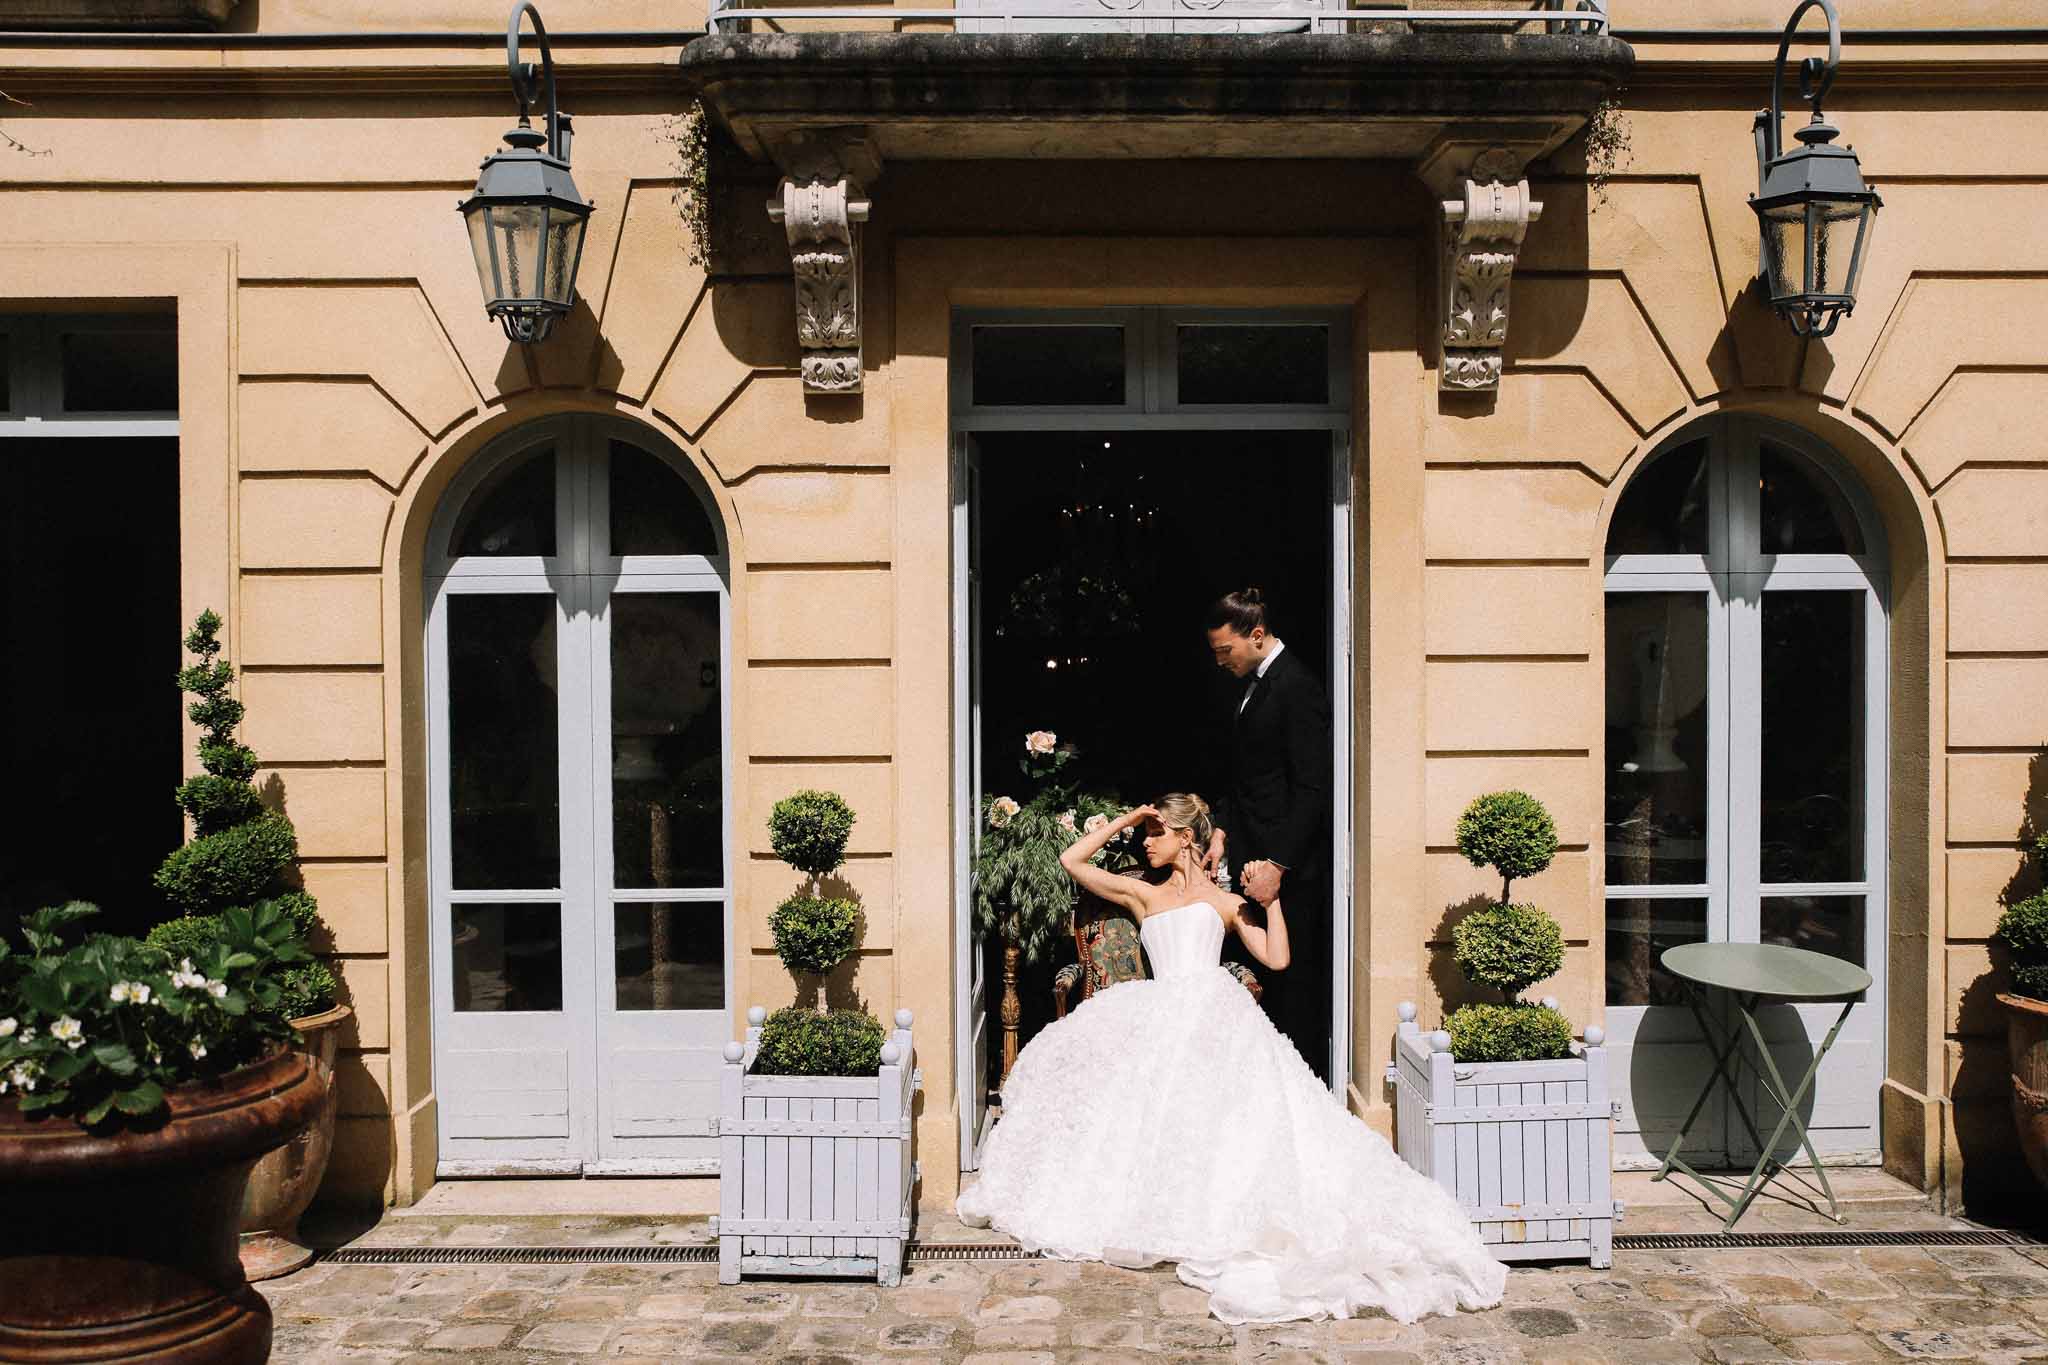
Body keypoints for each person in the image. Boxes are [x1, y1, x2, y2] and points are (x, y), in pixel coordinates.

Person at [956, 794, 1507, 1326]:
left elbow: (1277, 957)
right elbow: (1070, 860)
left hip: (1214, 1015)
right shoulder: (1143, 895)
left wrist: (1271, 904)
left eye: (1156, 833)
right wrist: (1128, 819)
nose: (1147, 844)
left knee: (1237, 1119)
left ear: (1186, 837)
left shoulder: (1223, 901)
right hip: (1159, 1013)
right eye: (1145, 835)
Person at [1203, 588, 1334, 1084]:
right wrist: (1222, 831)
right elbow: (1247, 776)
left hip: (1289, 872)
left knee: (1291, 985)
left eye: (1224, 651)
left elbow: (1311, 788)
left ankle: (1298, 1093)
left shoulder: (1297, 687)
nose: (1220, 661)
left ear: (1256, 636)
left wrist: (1278, 865)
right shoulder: (1250, 685)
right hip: (1251, 857)